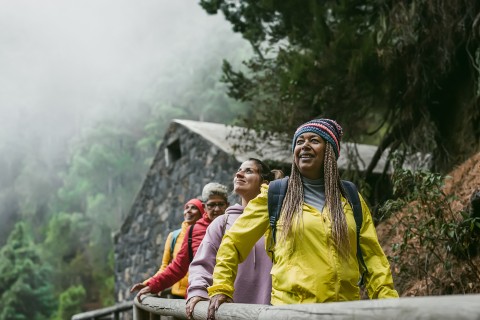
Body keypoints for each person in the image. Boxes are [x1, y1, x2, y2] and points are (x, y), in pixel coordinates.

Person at [207, 119, 399, 319]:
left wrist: (389, 303)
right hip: (291, 313)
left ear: (330, 151)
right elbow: (233, 242)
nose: (304, 145)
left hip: (344, 312)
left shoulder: (350, 198)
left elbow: (373, 259)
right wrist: (221, 287)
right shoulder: (276, 194)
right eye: (299, 142)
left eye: (314, 140)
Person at [186, 159, 283, 319]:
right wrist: (198, 292)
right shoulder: (222, 223)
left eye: (249, 171)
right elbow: (202, 264)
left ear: (264, 183)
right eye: (239, 170)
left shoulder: (278, 220)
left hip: (273, 313)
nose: (239, 174)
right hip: (228, 312)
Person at [133, 182, 229, 302]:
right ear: (204, 207)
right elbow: (178, 267)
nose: (217, 209)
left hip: (230, 296)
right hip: (200, 298)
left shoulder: (235, 226)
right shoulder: (194, 231)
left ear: (227, 205)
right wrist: (152, 285)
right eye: (211, 205)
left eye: (221, 204)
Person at [130, 198, 204, 299]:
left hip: (198, 295)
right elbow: (165, 267)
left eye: (194, 208)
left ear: (202, 212)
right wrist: (149, 283)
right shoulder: (174, 236)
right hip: (177, 296)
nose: (188, 211)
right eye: (187, 208)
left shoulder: (207, 234)